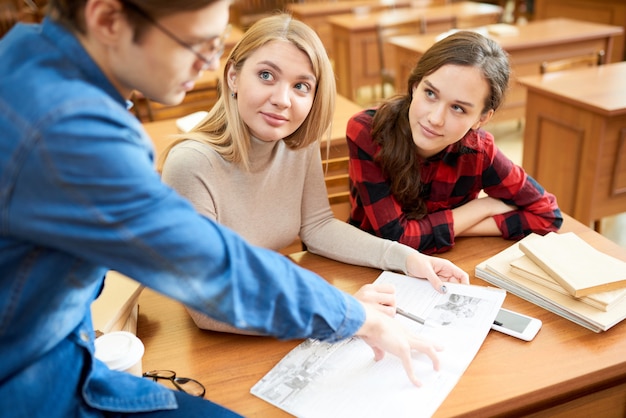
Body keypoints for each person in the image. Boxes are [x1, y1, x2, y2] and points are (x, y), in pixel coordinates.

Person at [0, 1, 464, 416]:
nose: (206, 62)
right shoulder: (72, 130)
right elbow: (212, 273)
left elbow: (312, 227)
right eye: (195, 44)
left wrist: (400, 260)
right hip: (34, 379)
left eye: (214, 44)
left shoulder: (33, 63)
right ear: (107, 20)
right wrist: (352, 316)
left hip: (62, 352)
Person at [160, 14, 469, 334]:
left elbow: (317, 226)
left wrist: (406, 259)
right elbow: (208, 305)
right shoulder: (191, 164)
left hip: (271, 310)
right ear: (233, 77)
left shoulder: (295, 143)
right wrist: (339, 311)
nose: (282, 100)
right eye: (266, 75)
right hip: (227, 334)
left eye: (301, 86)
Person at [346, 30, 563, 255]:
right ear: (414, 86)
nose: (435, 118)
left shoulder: (478, 151)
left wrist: (458, 226)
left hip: (449, 266)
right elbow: (397, 240)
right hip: (368, 267)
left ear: (482, 118)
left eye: (458, 108)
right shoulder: (369, 132)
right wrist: (481, 207)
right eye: (430, 93)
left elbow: (547, 215)